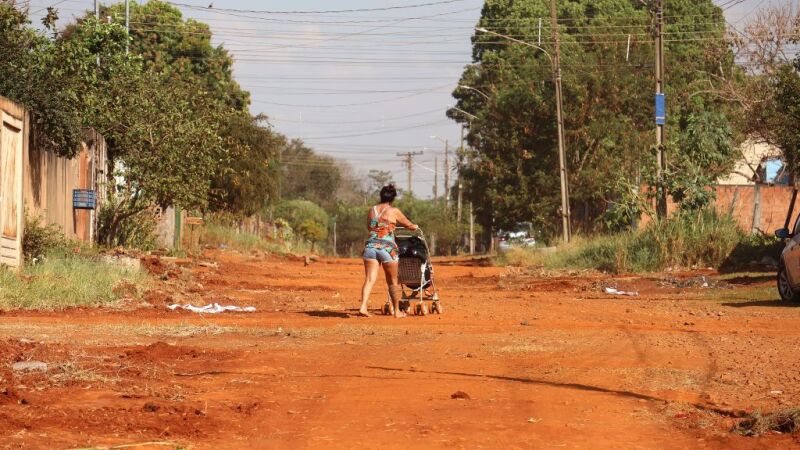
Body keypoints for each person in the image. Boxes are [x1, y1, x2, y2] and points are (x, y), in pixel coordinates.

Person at [358, 184, 418, 317]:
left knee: (369, 279)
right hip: (387, 249)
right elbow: (408, 224)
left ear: (381, 195)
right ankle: (397, 311)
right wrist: (414, 226)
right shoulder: (393, 211)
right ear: (393, 198)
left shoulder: (372, 210)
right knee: (393, 282)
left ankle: (363, 307)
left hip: (371, 247)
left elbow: (370, 227)